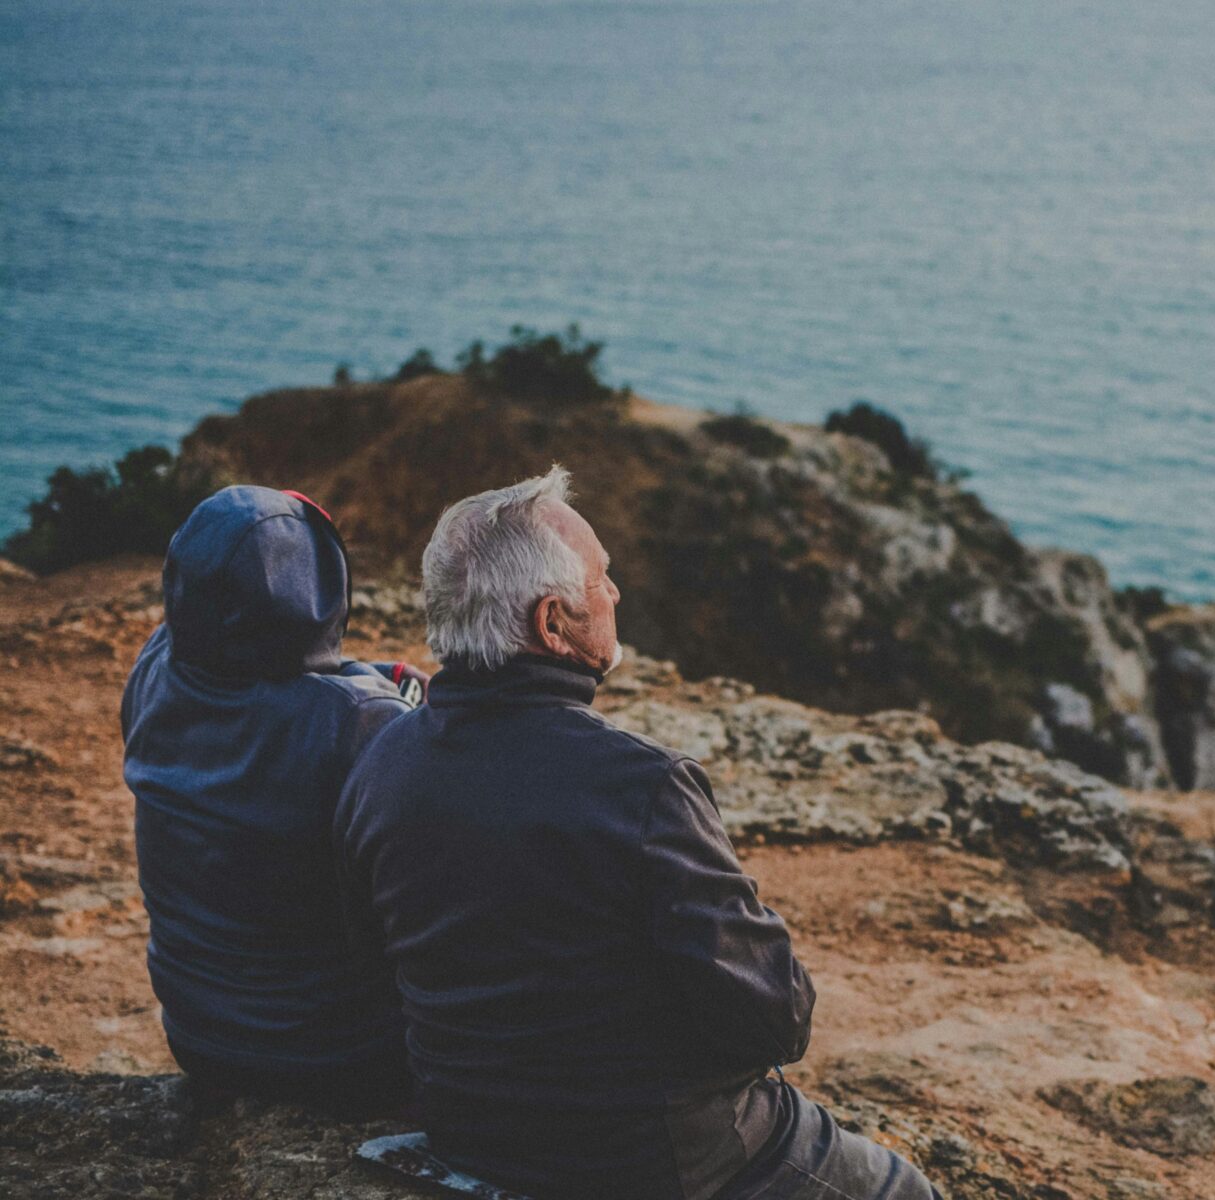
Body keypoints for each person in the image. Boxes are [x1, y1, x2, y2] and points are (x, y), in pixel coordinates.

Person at [336, 467, 938, 1200]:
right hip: (657, 1157)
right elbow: (776, 1018)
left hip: (466, 1128)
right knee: (903, 1190)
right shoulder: (640, 786)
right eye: (602, 580)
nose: (616, 595)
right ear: (552, 624)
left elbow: (372, 957)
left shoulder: (382, 762)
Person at [123, 485, 421, 1112]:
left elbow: (265, 678)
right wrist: (398, 696)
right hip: (340, 1058)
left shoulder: (155, 666)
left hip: (198, 1036)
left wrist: (369, 676)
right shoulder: (361, 724)